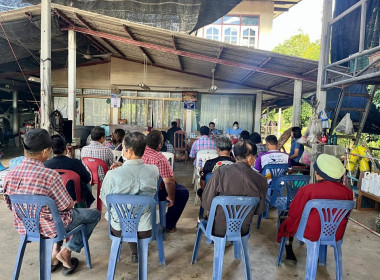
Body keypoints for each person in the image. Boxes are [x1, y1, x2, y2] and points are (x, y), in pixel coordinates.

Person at [3, 129, 101, 275]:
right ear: (45, 151)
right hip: (53, 228)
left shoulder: (10, 174)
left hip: (25, 227)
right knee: (93, 215)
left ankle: (55, 250)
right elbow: (66, 205)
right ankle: (66, 251)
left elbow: (9, 204)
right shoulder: (50, 175)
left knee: (57, 214)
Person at [277, 154, 353, 264]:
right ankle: (320, 259)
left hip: (311, 232)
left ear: (318, 174)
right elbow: (346, 214)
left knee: (285, 215)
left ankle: (289, 252)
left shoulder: (308, 190)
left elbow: (295, 212)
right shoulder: (347, 192)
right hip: (335, 233)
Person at [100, 132, 159, 263]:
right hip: (146, 229)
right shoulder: (154, 170)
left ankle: (133, 251)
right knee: (137, 213)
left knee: (125, 213)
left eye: (123, 147)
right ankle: (136, 251)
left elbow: (105, 199)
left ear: (129, 151)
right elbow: (136, 175)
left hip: (118, 229)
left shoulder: (112, 175)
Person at [202, 140, 268, 237]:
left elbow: (207, 204)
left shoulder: (220, 172)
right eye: (255, 157)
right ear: (250, 158)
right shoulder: (261, 179)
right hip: (242, 230)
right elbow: (259, 210)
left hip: (217, 230)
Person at [142, 130, 189, 233]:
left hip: (139, 191)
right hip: (155, 192)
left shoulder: (139, 152)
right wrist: (171, 197)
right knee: (182, 192)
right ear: (160, 145)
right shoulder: (160, 159)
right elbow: (169, 181)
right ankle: (168, 225)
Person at [44, 135, 95, 207]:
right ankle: (83, 207)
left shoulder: (45, 165)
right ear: (66, 148)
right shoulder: (76, 163)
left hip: (53, 199)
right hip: (74, 199)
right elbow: (87, 178)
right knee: (87, 184)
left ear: (51, 150)